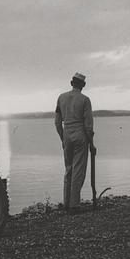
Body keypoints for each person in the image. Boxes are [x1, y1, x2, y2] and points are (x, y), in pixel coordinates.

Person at [54, 72, 94, 212]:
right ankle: (74, 204)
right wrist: (91, 143)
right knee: (78, 170)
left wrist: (63, 138)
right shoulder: (85, 100)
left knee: (69, 169)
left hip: (67, 133)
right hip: (79, 133)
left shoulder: (61, 98)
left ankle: (67, 203)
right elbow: (88, 125)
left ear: (72, 83)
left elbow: (57, 122)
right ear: (83, 85)